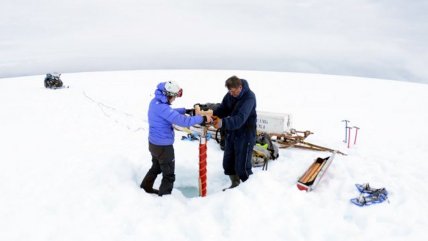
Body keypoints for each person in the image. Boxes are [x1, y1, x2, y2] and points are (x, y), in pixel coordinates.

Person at [140, 81, 212, 196]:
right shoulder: (163, 108)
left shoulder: (155, 102)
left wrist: (185, 110)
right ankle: (165, 200)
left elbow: (169, 112)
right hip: (164, 147)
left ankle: (145, 188)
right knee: (169, 175)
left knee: (156, 167)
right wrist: (202, 118)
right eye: (174, 97)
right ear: (167, 94)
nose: (174, 99)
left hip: (154, 144)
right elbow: (183, 121)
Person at [212, 76, 257, 190]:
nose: (231, 94)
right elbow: (223, 109)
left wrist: (222, 123)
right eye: (229, 91)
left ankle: (249, 191)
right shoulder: (230, 95)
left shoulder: (249, 98)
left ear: (240, 87)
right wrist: (212, 115)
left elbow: (240, 119)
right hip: (232, 133)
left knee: (242, 167)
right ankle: (235, 185)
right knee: (228, 163)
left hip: (245, 134)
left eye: (233, 91)